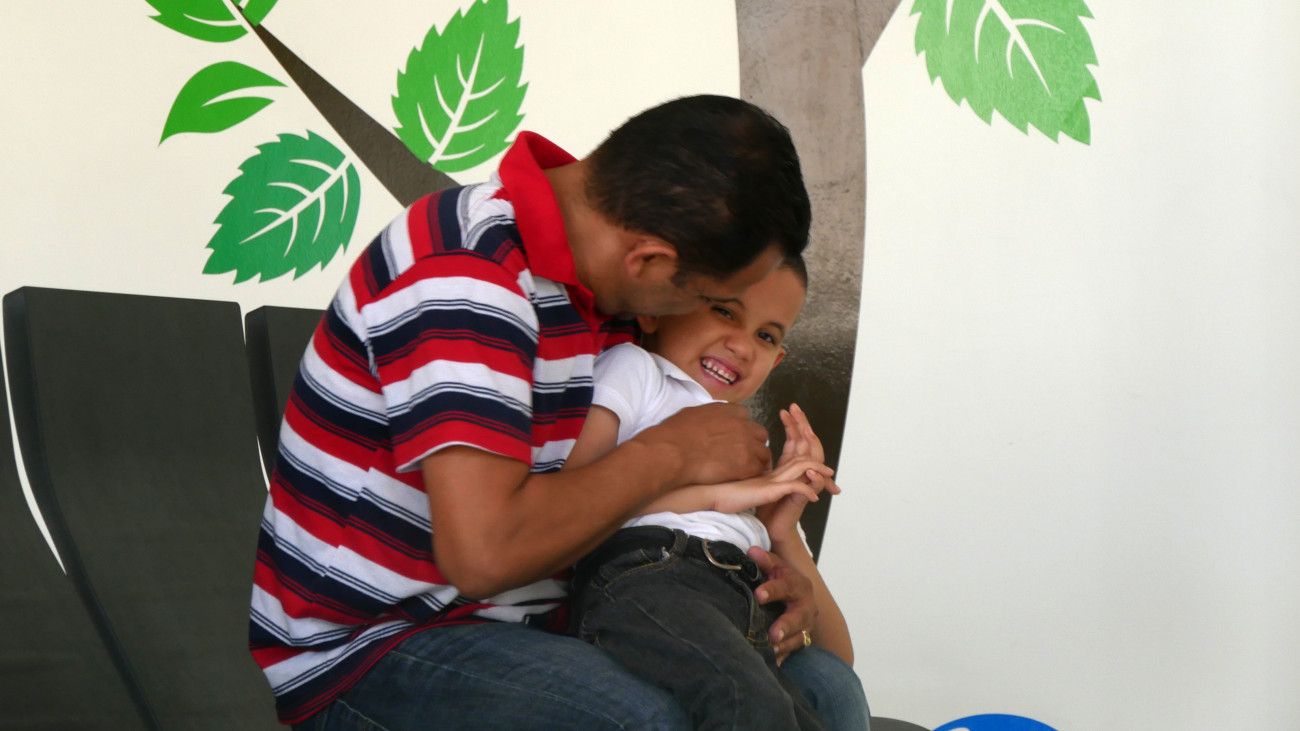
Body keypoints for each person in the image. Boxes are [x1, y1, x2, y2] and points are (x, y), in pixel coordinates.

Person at [249, 94, 862, 730]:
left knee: (825, 686)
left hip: (560, 617)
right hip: (380, 643)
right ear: (649, 260)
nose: (721, 334)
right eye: (711, 300)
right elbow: (484, 557)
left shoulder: (614, 294)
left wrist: (761, 580)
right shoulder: (464, 268)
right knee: (643, 720)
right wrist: (674, 451)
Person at [565, 259, 863, 730]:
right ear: (659, 310)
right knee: (747, 703)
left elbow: (838, 657)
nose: (742, 346)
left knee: (808, 711)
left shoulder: (751, 449)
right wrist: (722, 495)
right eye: (724, 311)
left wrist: (780, 529)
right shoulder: (638, 370)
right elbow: (573, 499)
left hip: (739, 593)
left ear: (776, 361)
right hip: (651, 575)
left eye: (765, 336)